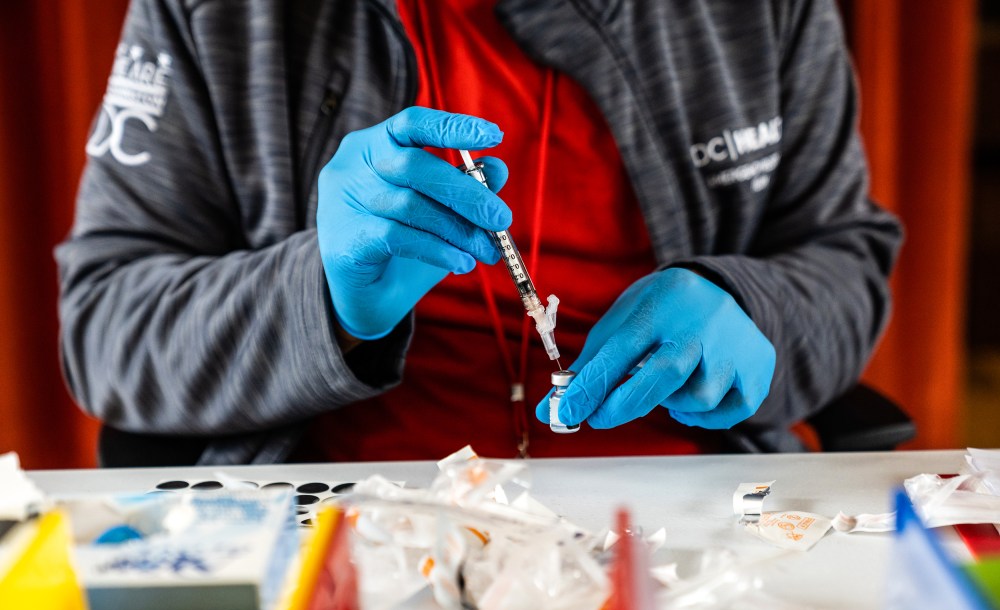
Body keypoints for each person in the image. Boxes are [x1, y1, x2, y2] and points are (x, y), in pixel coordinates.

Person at [56, 0, 901, 466]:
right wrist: (320, 296)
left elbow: (844, 263)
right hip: (346, 536)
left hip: (695, 532)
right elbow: (104, 327)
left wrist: (749, 309)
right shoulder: (221, 19)